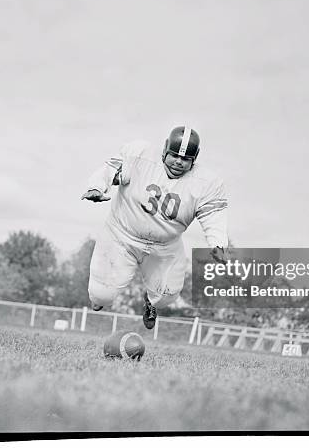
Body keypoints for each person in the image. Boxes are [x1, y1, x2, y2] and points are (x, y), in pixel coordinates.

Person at [81, 126, 228, 329]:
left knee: (167, 297)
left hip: (165, 246)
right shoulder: (140, 156)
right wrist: (97, 186)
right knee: (101, 296)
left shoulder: (206, 183)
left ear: (194, 160)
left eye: (185, 159)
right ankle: (101, 298)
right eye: (174, 156)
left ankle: (150, 302)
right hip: (121, 236)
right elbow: (110, 170)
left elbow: (213, 215)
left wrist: (218, 244)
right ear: (164, 149)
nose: (178, 162)